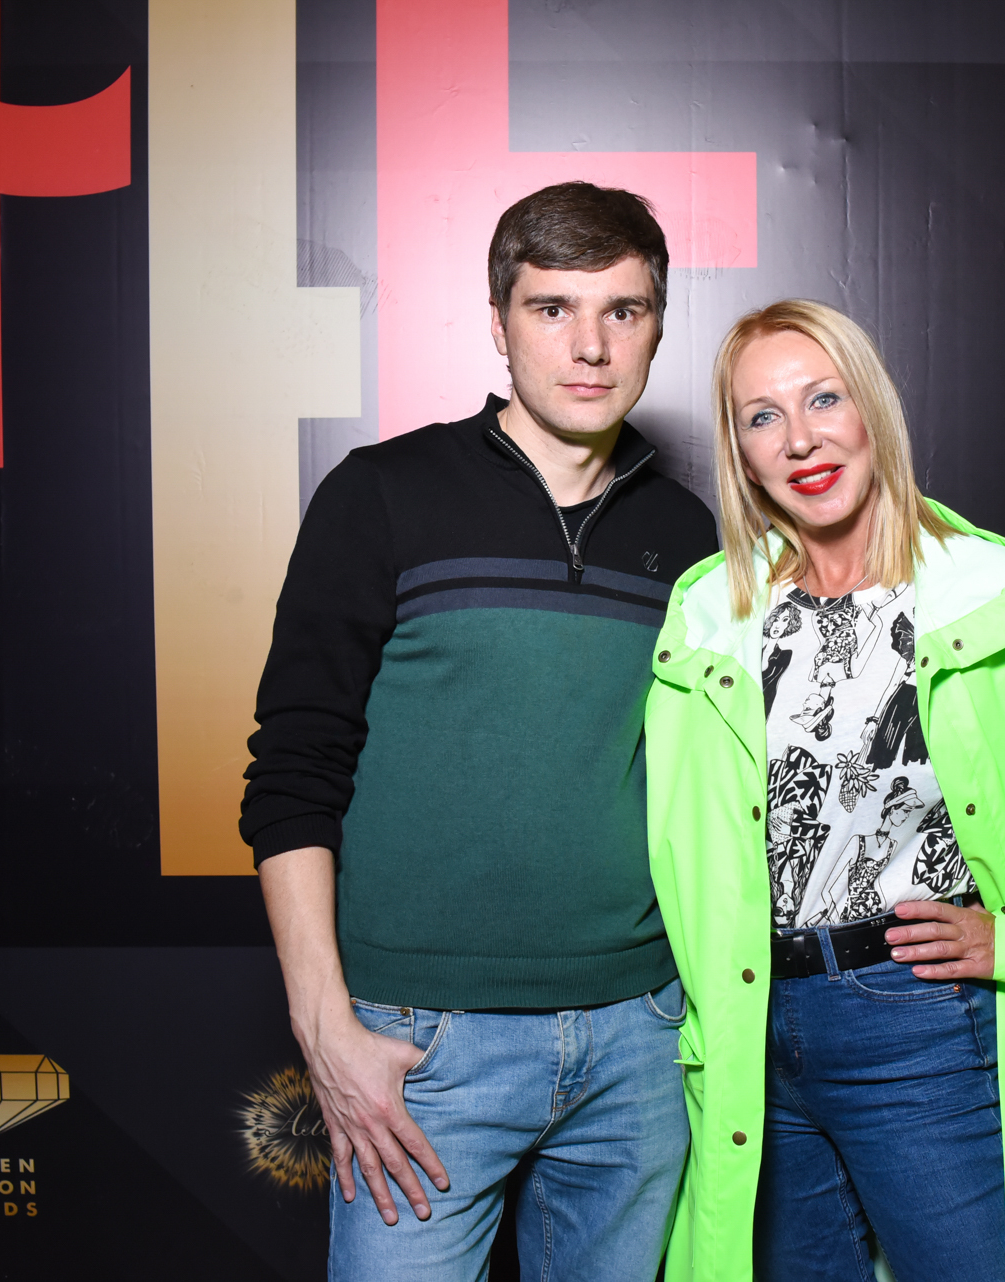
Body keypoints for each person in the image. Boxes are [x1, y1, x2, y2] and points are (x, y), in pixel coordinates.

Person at [644, 300, 1005, 1282]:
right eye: (762, 416)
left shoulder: (1001, 599)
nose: (800, 439)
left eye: (824, 398)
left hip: (920, 1027)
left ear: (872, 408)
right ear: (740, 452)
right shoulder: (709, 614)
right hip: (753, 1037)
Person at [242, 182, 718, 1281]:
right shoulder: (382, 494)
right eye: (553, 309)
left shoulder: (690, 534)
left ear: (657, 327)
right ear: (499, 323)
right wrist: (325, 1028)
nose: (591, 346)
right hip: (422, 1046)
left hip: (640, 1039)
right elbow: (294, 769)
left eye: (624, 310)